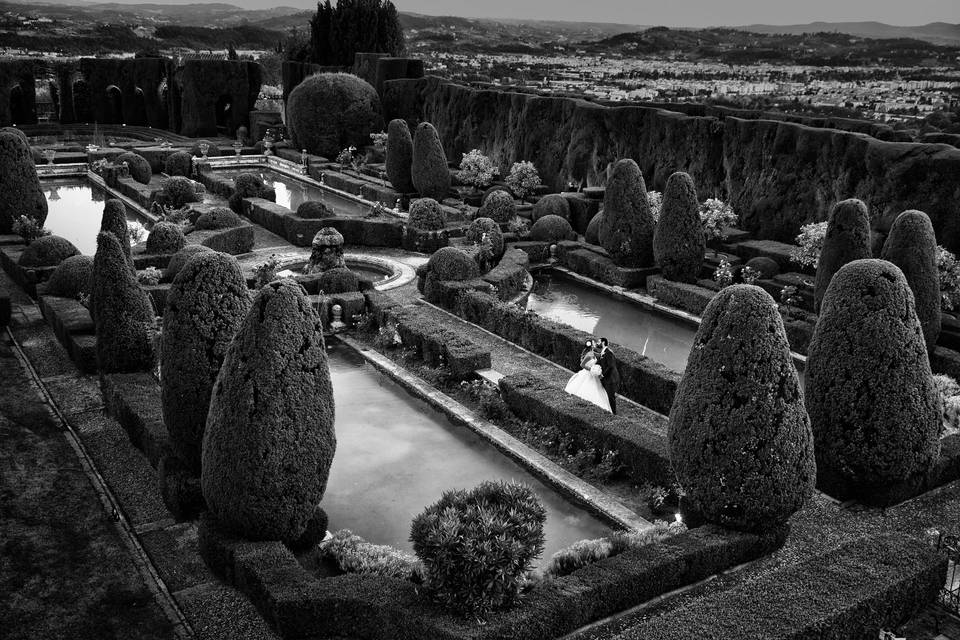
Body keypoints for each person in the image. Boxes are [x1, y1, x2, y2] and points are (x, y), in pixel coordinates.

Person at [563, 339, 612, 413]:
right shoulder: (589, 355)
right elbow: (582, 365)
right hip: (587, 374)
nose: (595, 344)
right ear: (592, 346)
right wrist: (591, 369)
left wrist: (597, 371)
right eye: (594, 343)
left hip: (593, 375)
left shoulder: (594, 353)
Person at [597, 337, 621, 415]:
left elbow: (611, 366)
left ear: (603, 343)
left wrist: (602, 375)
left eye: (599, 342)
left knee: (611, 397)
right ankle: (607, 409)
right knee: (605, 395)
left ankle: (614, 413)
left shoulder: (609, 353)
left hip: (611, 380)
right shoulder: (603, 352)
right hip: (606, 379)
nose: (597, 343)